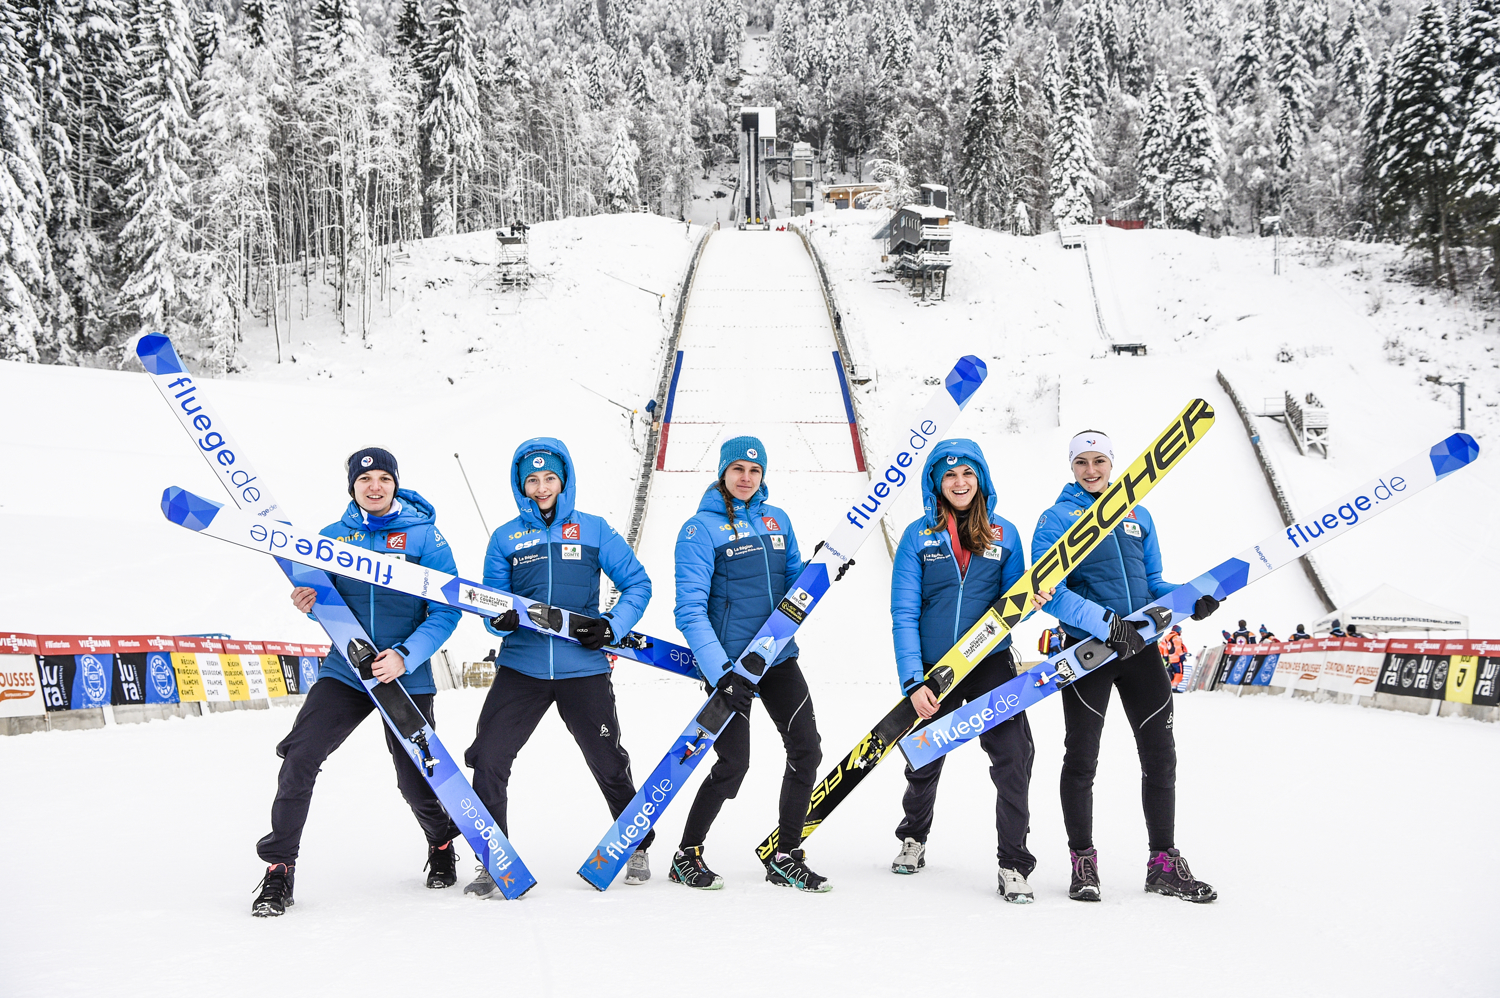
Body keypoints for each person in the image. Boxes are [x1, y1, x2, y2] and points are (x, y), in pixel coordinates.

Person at [253, 447, 464, 917]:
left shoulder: (425, 537)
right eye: (365, 479)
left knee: (415, 778)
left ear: (395, 484)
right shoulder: (330, 539)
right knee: (300, 756)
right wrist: (309, 603)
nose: (375, 486)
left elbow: (447, 609)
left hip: (404, 674)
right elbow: (323, 600)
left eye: (384, 479)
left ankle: (441, 841)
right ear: (352, 487)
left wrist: (405, 656)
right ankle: (278, 870)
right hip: (346, 671)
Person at [1032, 430, 1221, 905]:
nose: (1091, 471)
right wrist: (1104, 623)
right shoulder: (1056, 519)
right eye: (1082, 463)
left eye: (1099, 461)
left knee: (1161, 755)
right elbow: (1048, 591)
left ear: (1113, 464)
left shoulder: (1139, 514)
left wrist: (1187, 600)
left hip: (1140, 649)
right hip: (1087, 654)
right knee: (1081, 759)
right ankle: (1083, 862)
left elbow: (1151, 581)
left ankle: (1163, 863)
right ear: (1071, 467)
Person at [462, 438, 655, 896]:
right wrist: (499, 621)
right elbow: (491, 608)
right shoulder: (506, 537)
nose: (541, 487)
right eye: (532, 479)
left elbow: (637, 584)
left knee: (608, 760)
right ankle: (492, 859)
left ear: (563, 481)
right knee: (488, 757)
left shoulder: (594, 530)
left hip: (582, 669)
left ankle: (636, 843)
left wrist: (612, 626)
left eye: (549, 478)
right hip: (522, 669)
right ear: (521, 486)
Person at [887, 440, 1052, 903]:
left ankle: (1013, 864)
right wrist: (912, 679)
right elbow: (904, 611)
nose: (959, 483)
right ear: (936, 482)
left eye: (968, 475)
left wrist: (1031, 603)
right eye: (950, 475)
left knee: (1013, 756)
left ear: (980, 479)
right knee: (923, 757)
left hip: (989, 663)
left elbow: (1015, 606)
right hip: (936, 669)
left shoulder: (1006, 534)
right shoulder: (918, 537)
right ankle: (913, 838)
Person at [671, 437, 829, 892]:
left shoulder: (776, 519)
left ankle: (785, 854)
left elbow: (795, 588)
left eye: (754, 470)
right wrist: (722, 672)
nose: (745, 477)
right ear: (722, 471)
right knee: (733, 763)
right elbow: (690, 609)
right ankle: (688, 854)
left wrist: (821, 569)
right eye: (737, 468)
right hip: (731, 666)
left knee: (807, 750)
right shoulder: (700, 530)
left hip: (778, 656)